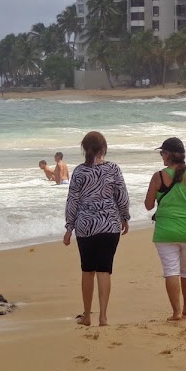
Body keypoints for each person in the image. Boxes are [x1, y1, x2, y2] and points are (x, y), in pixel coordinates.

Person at [63, 131, 130, 327]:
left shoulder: (79, 172)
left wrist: (69, 228)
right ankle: (103, 317)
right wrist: (125, 217)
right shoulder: (113, 169)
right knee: (104, 270)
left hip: (85, 226)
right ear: (104, 148)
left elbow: (72, 201)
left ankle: (86, 316)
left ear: (84, 149)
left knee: (87, 270)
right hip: (109, 224)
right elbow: (122, 196)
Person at [144, 137, 186, 321]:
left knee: (171, 271)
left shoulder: (158, 176)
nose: (161, 157)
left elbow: (148, 205)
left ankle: (176, 312)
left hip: (165, 231)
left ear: (167, 155)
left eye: (162, 153)